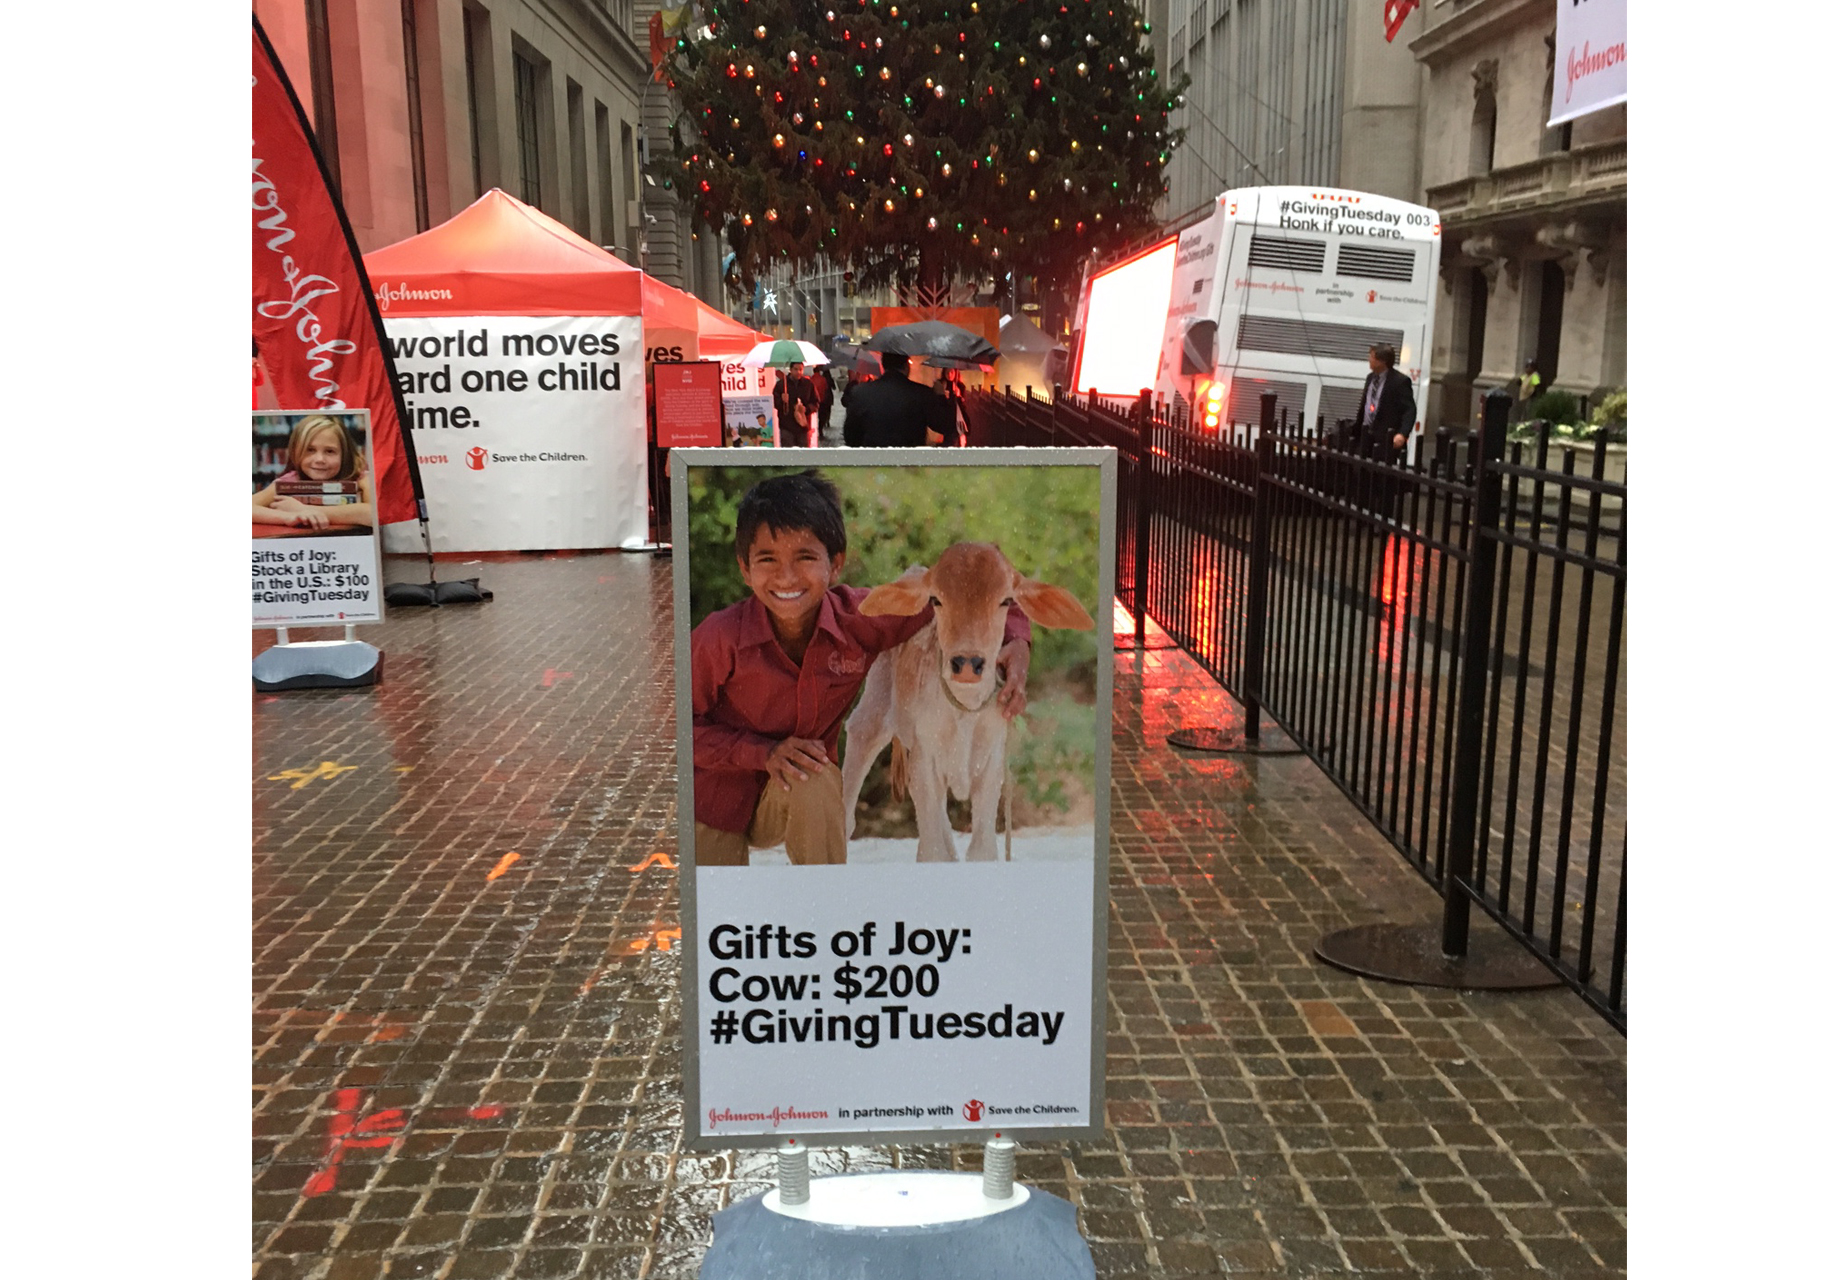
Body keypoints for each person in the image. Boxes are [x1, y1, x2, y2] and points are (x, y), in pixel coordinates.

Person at [689, 472, 1032, 866]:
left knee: (813, 774)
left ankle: (826, 895)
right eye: (768, 559)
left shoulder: (860, 620)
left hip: (798, 796)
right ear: (745, 569)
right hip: (715, 802)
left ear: (835, 565)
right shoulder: (717, 638)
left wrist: (1017, 639)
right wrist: (762, 753)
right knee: (715, 898)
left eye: (805, 557)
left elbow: (968, 592)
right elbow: (676, 730)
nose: (786, 576)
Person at [254, 414, 374, 530]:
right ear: (295, 452)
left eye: (330, 451)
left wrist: (303, 509)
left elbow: (372, 514)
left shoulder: (362, 478)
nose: (319, 459)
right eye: (310, 450)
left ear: (345, 455)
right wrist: (288, 516)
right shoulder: (287, 483)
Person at [842, 351, 956, 446]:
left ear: (883, 365)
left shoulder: (860, 393)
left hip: (874, 462)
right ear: (906, 366)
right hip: (909, 462)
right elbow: (946, 425)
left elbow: (850, 437)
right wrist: (941, 396)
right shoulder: (921, 394)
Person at [775, 363, 819, 447]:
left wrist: (806, 409)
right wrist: (782, 401)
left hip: (803, 426)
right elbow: (775, 404)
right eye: (796, 369)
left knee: (803, 452)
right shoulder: (781, 384)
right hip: (787, 426)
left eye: (800, 369)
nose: (798, 372)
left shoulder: (808, 384)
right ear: (790, 370)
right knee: (788, 451)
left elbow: (816, 403)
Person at [811, 364, 836, 442]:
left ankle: (814, 427)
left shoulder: (811, 379)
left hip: (814, 400)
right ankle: (821, 427)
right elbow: (827, 388)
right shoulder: (823, 379)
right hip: (823, 400)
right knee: (823, 414)